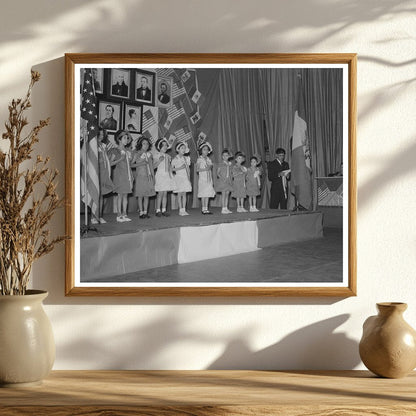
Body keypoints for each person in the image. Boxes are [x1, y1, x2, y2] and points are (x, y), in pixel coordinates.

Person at [108, 130, 133, 222]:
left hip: (127, 176)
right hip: (119, 176)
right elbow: (110, 163)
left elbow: (129, 164)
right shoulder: (115, 151)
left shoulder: (128, 151)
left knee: (125, 195)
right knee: (120, 195)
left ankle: (124, 214)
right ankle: (118, 215)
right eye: (124, 138)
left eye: (127, 138)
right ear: (119, 139)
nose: (126, 140)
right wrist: (120, 159)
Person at [91, 128, 114, 225]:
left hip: (104, 173)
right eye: (99, 135)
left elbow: (105, 160)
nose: (101, 137)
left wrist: (111, 159)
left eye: (102, 135)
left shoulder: (104, 146)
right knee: (96, 195)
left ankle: (99, 216)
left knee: (102, 196)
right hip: (97, 173)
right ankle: (93, 216)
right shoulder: (92, 145)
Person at [131, 137, 155, 219]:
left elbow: (151, 166)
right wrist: (140, 163)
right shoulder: (137, 153)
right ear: (140, 144)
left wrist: (153, 177)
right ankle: (141, 212)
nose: (146, 145)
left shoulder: (149, 154)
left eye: (147, 144)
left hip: (148, 177)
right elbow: (131, 165)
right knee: (140, 195)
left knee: (147, 195)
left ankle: (145, 212)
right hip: (140, 176)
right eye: (144, 143)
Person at [154, 138, 175, 217]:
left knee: (165, 194)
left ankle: (164, 209)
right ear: (159, 147)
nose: (165, 147)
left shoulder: (168, 156)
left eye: (166, 145)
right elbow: (153, 166)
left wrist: (172, 174)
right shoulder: (156, 155)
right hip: (160, 175)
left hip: (167, 176)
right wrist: (159, 161)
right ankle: (158, 210)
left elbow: (170, 167)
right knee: (160, 193)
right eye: (163, 145)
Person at [171, 142, 192, 216]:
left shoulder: (187, 158)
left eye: (184, 148)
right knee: (180, 194)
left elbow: (188, 169)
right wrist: (179, 168)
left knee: (185, 194)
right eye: (182, 148)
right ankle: (180, 210)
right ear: (178, 149)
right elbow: (171, 169)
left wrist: (189, 178)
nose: (183, 150)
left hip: (185, 177)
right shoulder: (175, 159)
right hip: (179, 177)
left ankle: (184, 209)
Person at [196, 142, 215, 215]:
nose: (206, 151)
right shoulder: (199, 159)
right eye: (204, 149)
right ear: (201, 151)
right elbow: (197, 169)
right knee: (203, 194)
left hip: (209, 179)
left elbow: (210, 166)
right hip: (203, 179)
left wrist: (209, 167)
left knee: (207, 194)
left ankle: (206, 208)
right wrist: (205, 169)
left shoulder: (209, 159)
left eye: (207, 150)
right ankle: (203, 208)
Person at [216, 149, 233, 214]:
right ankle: (223, 208)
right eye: (224, 156)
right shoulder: (221, 164)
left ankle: (226, 208)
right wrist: (222, 178)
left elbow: (231, 172)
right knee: (223, 194)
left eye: (227, 155)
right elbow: (218, 173)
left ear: (228, 156)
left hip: (228, 181)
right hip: (223, 181)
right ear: (222, 157)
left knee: (227, 194)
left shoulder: (230, 164)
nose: (225, 157)